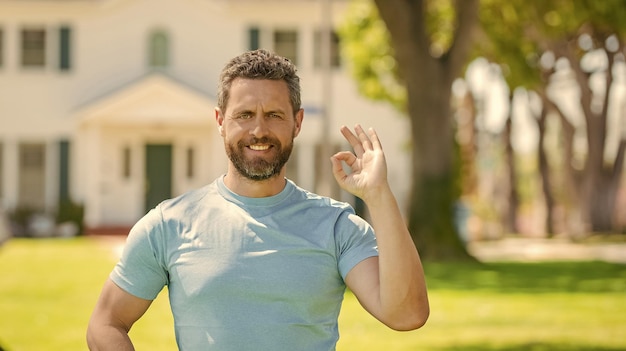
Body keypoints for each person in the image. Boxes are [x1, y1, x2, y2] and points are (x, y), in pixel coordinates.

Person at [86, 49, 429, 350]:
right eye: (245, 115)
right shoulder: (168, 224)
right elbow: (106, 323)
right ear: (220, 121)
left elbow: (407, 314)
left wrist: (379, 196)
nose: (259, 131)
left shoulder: (336, 226)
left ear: (297, 122)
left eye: (274, 115)